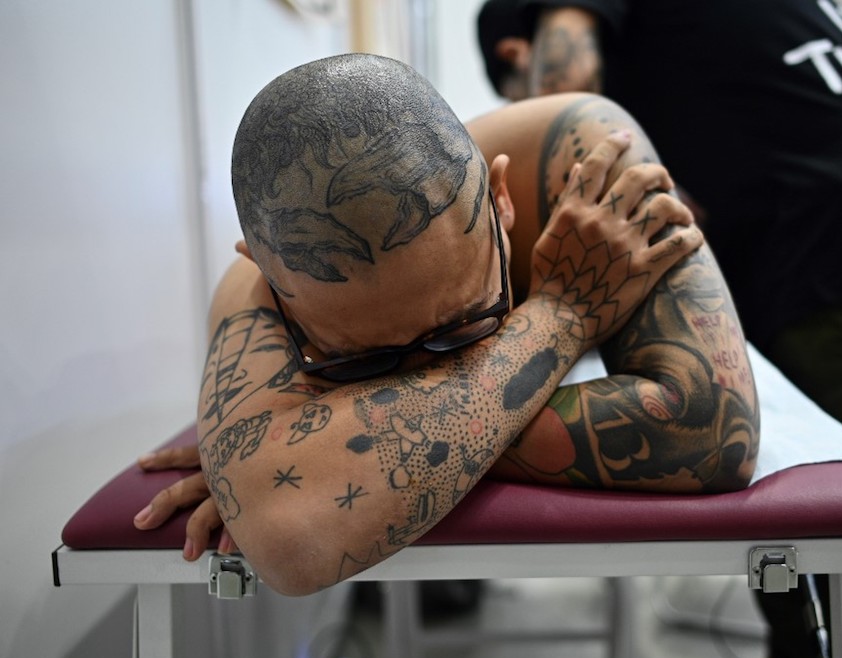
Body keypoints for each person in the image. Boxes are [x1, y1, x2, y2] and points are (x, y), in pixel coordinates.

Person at [132, 53, 760, 596]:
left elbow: (708, 425)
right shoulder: (268, 280)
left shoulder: (590, 157)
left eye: (465, 327)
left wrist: (311, 453)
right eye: (364, 363)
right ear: (270, 283)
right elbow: (291, 536)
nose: (430, 371)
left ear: (502, 200)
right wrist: (563, 315)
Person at [476, 1, 842, 658]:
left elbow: (569, 93)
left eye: (516, 96)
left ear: (515, 52)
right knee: (834, 571)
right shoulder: (704, 30)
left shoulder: (566, 28)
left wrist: (562, 268)